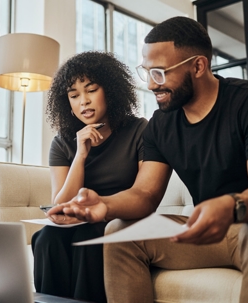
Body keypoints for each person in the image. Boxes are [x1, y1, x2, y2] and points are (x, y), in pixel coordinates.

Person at [50, 16, 248, 303]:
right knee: (120, 233)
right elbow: (144, 194)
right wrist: (104, 205)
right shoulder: (161, 124)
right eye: (147, 72)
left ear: (198, 65)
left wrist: (230, 205)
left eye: (160, 73)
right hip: (211, 234)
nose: (152, 85)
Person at [31, 51, 148, 303]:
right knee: (46, 238)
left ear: (111, 91)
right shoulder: (62, 142)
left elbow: (143, 195)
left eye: (91, 90)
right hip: (76, 222)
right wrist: (80, 155)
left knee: (89, 236)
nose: (83, 101)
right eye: (74, 96)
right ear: (68, 105)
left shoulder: (139, 130)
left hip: (119, 218)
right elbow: (59, 205)